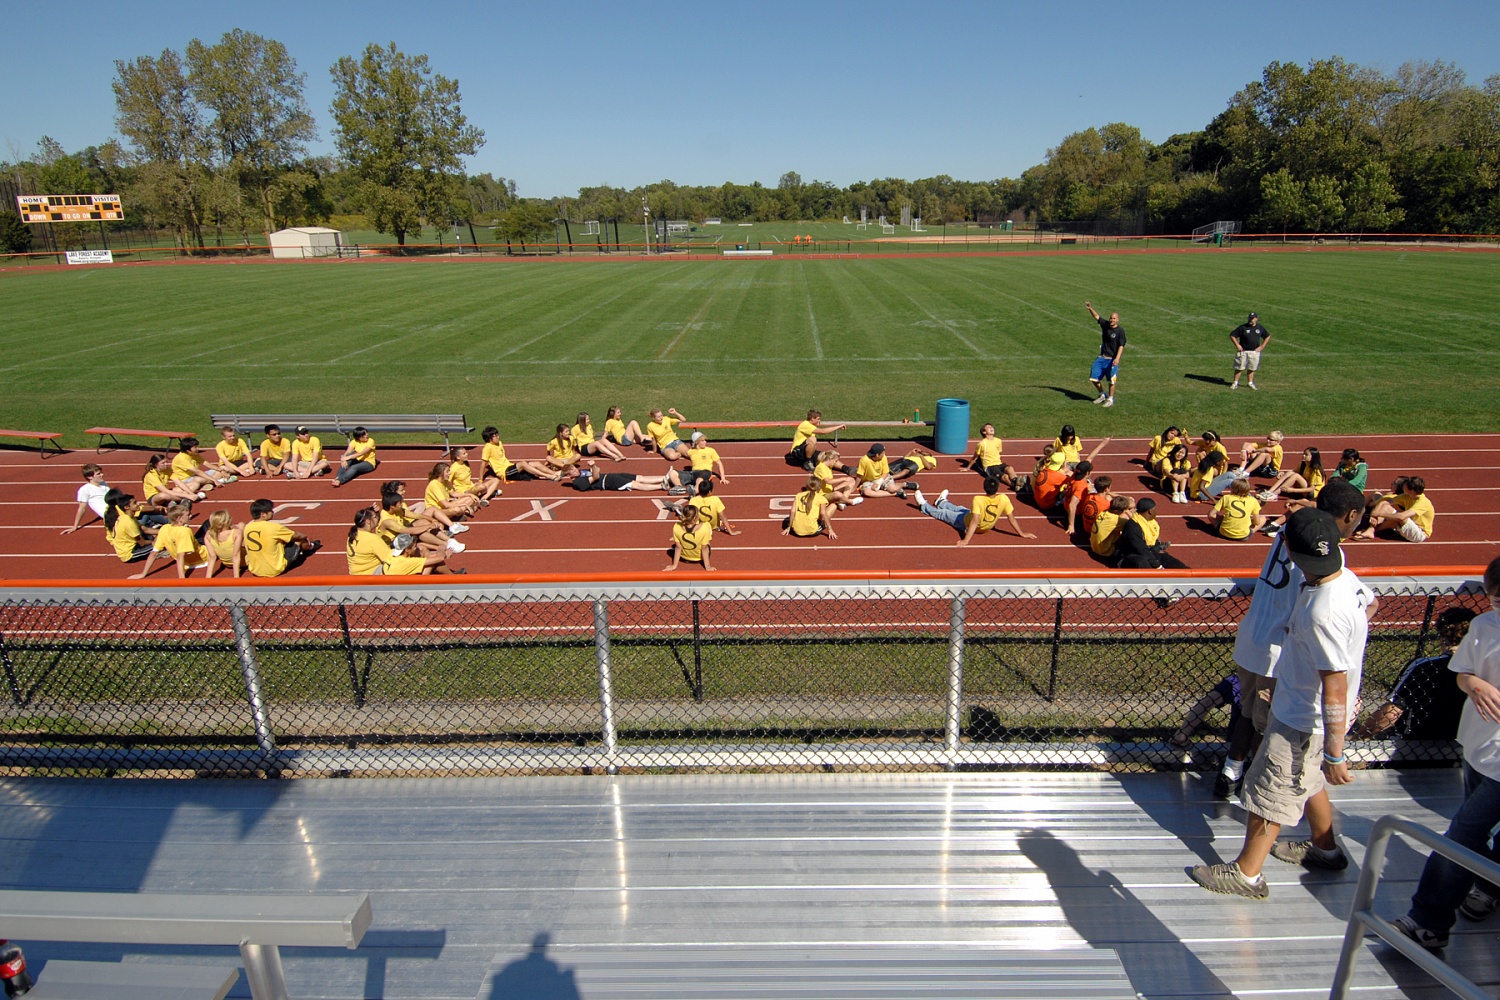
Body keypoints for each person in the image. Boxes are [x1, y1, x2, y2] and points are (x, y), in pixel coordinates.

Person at [1190, 506, 1376, 899]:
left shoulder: (1319, 612)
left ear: (1290, 550)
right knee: (1306, 783)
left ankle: (1247, 874)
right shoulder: (1345, 577)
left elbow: (1334, 685)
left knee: (1268, 790)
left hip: (1302, 716)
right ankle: (1326, 849)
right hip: (1305, 709)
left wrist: (1336, 751)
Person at [1213, 479, 1368, 799]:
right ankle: (1257, 785)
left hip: (1253, 635)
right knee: (1271, 726)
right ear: (1351, 514)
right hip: (1276, 650)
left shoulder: (1292, 531)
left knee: (1247, 711)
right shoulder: (1325, 553)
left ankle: (1231, 771)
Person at [1393, 554, 1500, 949]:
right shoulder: (1485, 626)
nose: (1496, 606)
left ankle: (1429, 921)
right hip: (1479, 746)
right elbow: (1461, 672)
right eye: (1493, 599)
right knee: (1478, 830)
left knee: (1462, 833)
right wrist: (1475, 684)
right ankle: (1490, 884)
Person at [1352, 607, 1477, 742]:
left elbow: (1392, 712)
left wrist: (1358, 738)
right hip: (1466, 744)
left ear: (1442, 633)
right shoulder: (1481, 668)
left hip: (1416, 744)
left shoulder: (1423, 665)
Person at [913, 480, 1035, 546]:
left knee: (943, 514)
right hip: (978, 522)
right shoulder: (1004, 498)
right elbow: (1011, 518)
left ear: (984, 488)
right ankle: (941, 501)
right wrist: (1022, 533)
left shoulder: (978, 499)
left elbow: (975, 521)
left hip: (965, 523)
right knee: (959, 508)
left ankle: (923, 506)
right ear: (997, 488)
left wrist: (966, 540)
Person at [345, 508, 446, 575]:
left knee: (421, 549)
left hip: (358, 574)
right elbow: (389, 558)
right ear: (368, 522)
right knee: (425, 558)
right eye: (375, 517)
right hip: (373, 574)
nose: (378, 519)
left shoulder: (352, 535)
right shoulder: (372, 539)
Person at [242, 498, 322, 577]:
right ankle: (311, 546)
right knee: (299, 540)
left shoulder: (247, 527)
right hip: (275, 569)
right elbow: (297, 536)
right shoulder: (274, 527)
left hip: (256, 570)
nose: (273, 512)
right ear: (263, 514)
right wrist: (305, 536)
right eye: (270, 510)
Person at [131, 501, 209, 579]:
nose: (190, 516)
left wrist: (143, 574)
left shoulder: (164, 529)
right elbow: (180, 555)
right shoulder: (185, 531)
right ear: (179, 518)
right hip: (203, 557)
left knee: (205, 527)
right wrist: (182, 578)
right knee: (209, 524)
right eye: (187, 515)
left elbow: (153, 553)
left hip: (187, 560)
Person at [1355, 475, 1435, 543]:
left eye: (1405, 486)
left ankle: (1373, 530)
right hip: (1407, 526)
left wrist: (1379, 514)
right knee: (1387, 507)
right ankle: (1370, 530)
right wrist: (1374, 514)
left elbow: (1401, 517)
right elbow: (1385, 502)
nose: (1403, 487)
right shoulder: (1407, 496)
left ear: (1412, 490)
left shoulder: (1423, 502)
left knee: (1399, 516)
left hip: (1419, 533)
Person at [1083, 300, 1126, 407]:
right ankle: (1102, 394)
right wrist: (1090, 308)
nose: (1112, 320)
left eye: (1114, 318)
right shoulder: (1106, 325)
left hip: (1112, 359)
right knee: (1093, 377)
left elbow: (1121, 345)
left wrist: (1117, 358)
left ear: (1118, 320)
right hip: (1102, 357)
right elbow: (1097, 317)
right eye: (1111, 318)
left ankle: (1110, 399)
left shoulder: (1120, 331)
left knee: (1111, 380)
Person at [479, 426, 561, 482]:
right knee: (523, 464)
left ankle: (553, 473)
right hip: (504, 472)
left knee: (536, 463)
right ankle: (547, 476)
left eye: (498, 434)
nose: (498, 437)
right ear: (490, 438)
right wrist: (480, 480)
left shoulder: (499, 443)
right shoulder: (487, 448)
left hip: (509, 467)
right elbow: (483, 464)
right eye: (495, 436)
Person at [103, 490, 157, 565]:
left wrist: (163, 531)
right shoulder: (127, 521)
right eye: (135, 503)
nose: (139, 504)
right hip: (130, 553)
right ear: (126, 507)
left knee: (160, 538)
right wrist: (156, 542)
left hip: (132, 543)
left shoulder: (128, 516)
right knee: (160, 546)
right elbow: (142, 543)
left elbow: (145, 529)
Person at [570, 460, 689, 494]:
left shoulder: (581, 473)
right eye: (573, 471)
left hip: (610, 476)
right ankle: (661, 486)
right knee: (635, 484)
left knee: (640, 477)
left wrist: (594, 468)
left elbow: (598, 471)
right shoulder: (578, 482)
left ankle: (666, 477)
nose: (576, 470)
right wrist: (594, 466)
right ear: (569, 475)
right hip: (608, 482)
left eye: (574, 468)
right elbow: (595, 477)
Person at [1116, 497, 1170, 568]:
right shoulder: (1132, 527)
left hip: (1149, 552)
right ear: (1150, 511)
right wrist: (1157, 565)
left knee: (1170, 561)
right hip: (1130, 556)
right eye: (1155, 509)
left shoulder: (1151, 523)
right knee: (1142, 563)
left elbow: (1153, 543)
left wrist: (1157, 548)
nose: (1156, 511)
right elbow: (1141, 549)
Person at [1258, 447, 1324, 503]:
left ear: (1313, 457)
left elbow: (1311, 489)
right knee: (1291, 473)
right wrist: (1282, 473)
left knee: (1296, 476)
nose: (1303, 455)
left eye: (1306, 455)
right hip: (1305, 488)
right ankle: (1270, 491)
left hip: (1313, 494)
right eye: (1303, 453)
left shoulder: (1316, 470)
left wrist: (1292, 490)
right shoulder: (1304, 465)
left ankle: (1274, 495)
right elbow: (1292, 472)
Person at [62, 464, 112, 535]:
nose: (102, 474)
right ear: (89, 477)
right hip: (110, 514)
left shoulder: (103, 483)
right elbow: (82, 508)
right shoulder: (84, 490)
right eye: (98, 474)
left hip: (116, 508)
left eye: (101, 473)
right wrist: (75, 526)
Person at [664, 505, 715, 571]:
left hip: (684, 558)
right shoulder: (705, 527)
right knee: (707, 542)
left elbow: (678, 547)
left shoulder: (676, 526)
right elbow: (704, 548)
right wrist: (708, 567)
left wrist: (674, 565)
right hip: (699, 558)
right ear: (695, 517)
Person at [1229, 312, 1271, 390]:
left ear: (1256, 319)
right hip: (1243, 351)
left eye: (1252, 318)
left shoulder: (1260, 328)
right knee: (1239, 368)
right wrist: (1237, 345)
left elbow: (1267, 336)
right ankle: (1235, 382)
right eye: (1250, 318)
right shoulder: (1243, 328)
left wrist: (1262, 346)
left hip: (1255, 352)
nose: (1250, 320)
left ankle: (1250, 383)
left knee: (1252, 368)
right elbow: (1232, 335)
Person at [202, 508, 245, 579]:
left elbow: (212, 557)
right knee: (242, 524)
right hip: (243, 562)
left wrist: (208, 577)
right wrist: (236, 577)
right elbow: (235, 555)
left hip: (227, 563)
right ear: (226, 522)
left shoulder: (208, 534)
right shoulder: (236, 533)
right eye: (229, 518)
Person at [1090, 495, 1133, 560]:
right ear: (1123, 510)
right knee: (1130, 530)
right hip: (1105, 552)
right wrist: (1129, 512)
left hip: (1094, 547)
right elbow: (1135, 524)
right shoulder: (1115, 520)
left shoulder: (1104, 512)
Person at [1062, 461, 1097, 537]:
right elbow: (1072, 505)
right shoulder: (1081, 486)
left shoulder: (1075, 474)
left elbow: (1089, 459)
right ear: (1088, 473)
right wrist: (1071, 525)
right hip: (1077, 513)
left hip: (1066, 503)